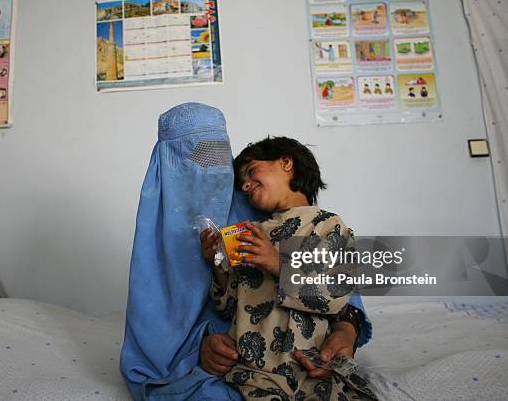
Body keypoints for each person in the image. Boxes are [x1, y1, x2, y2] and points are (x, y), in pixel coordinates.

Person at [120, 103, 372, 400]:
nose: (208, 170)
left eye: (217, 156)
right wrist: (199, 343)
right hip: (249, 370)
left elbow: (339, 289)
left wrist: (345, 331)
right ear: (162, 167)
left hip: (302, 364)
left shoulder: (258, 216)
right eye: (192, 158)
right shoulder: (156, 233)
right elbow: (229, 300)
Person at [200, 137, 376, 400]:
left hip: (312, 370)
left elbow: (336, 296)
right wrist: (219, 266)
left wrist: (277, 264)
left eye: (251, 171)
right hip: (253, 376)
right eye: (242, 185)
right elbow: (228, 307)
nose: (246, 186)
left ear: (286, 163)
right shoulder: (250, 235)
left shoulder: (328, 226)